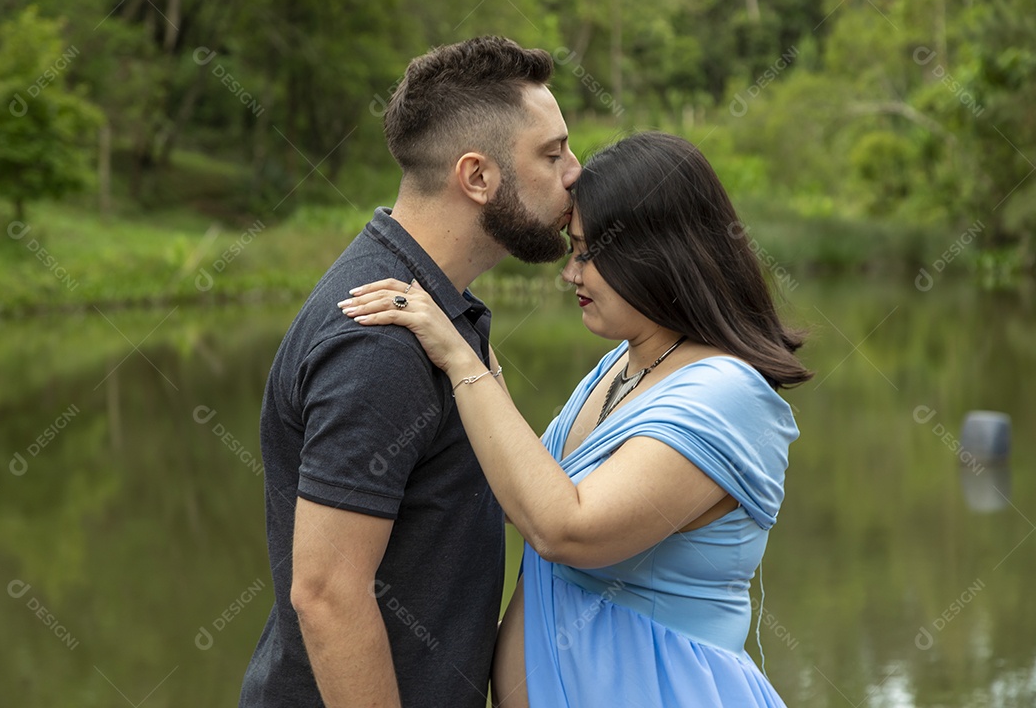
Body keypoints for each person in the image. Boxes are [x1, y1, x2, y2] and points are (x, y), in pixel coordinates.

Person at [342, 131, 813, 707]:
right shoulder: (626, 363)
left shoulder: (726, 395)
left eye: (588, 252)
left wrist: (460, 356)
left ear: (657, 253)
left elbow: (566, 527)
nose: (572, 274)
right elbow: (528, 485)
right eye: (574, 249)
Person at [238, 36, 581, 707]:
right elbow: (327, 594)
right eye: (552, 153)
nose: (576, 170)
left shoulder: (433, 306)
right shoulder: (380, 344)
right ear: (476, 177)